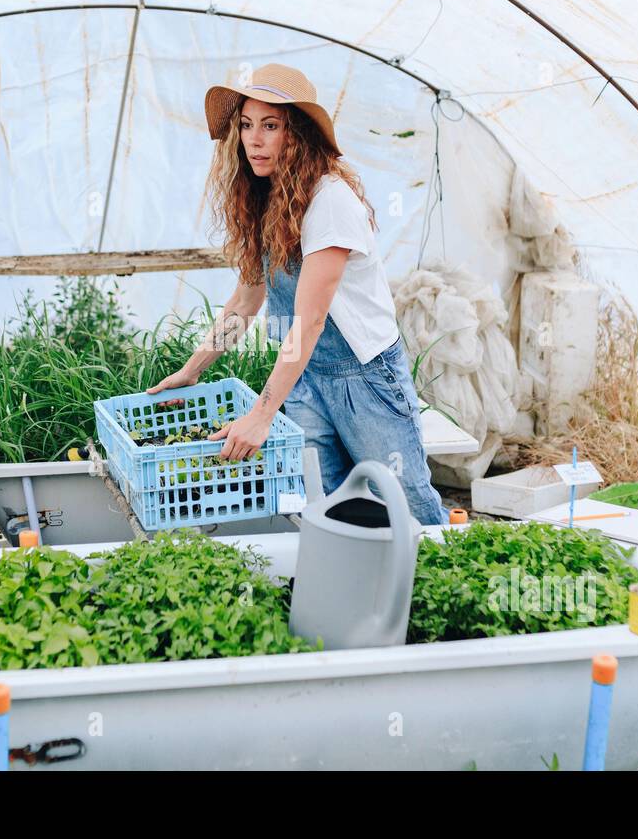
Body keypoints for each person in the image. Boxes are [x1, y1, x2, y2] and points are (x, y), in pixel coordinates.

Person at [146, 62, 448, 526]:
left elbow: (309, 321)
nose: (254, 139)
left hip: (363, 379)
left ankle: (432, 589)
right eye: (246, 125)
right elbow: (246, 303)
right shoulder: (266, 201)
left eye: (271, 125)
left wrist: (260, 415)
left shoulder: (329, 202)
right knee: (327, 511)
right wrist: (191, 371)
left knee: (406, 507)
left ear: (298, 133)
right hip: (305, 378)